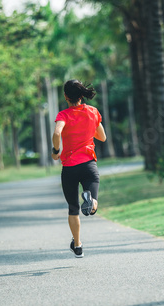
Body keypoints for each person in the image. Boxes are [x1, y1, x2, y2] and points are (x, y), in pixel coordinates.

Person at [52, 79, 107, 258]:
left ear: (66, 97)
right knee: (93, 204)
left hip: (69, 168)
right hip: (88, 164)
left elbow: (57, 133)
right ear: (82, 95)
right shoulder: (93, 112)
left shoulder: (63, 115)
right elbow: (102, 137)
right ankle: (91, 199)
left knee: (73, 208)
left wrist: (55, 151)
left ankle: (77, 245)